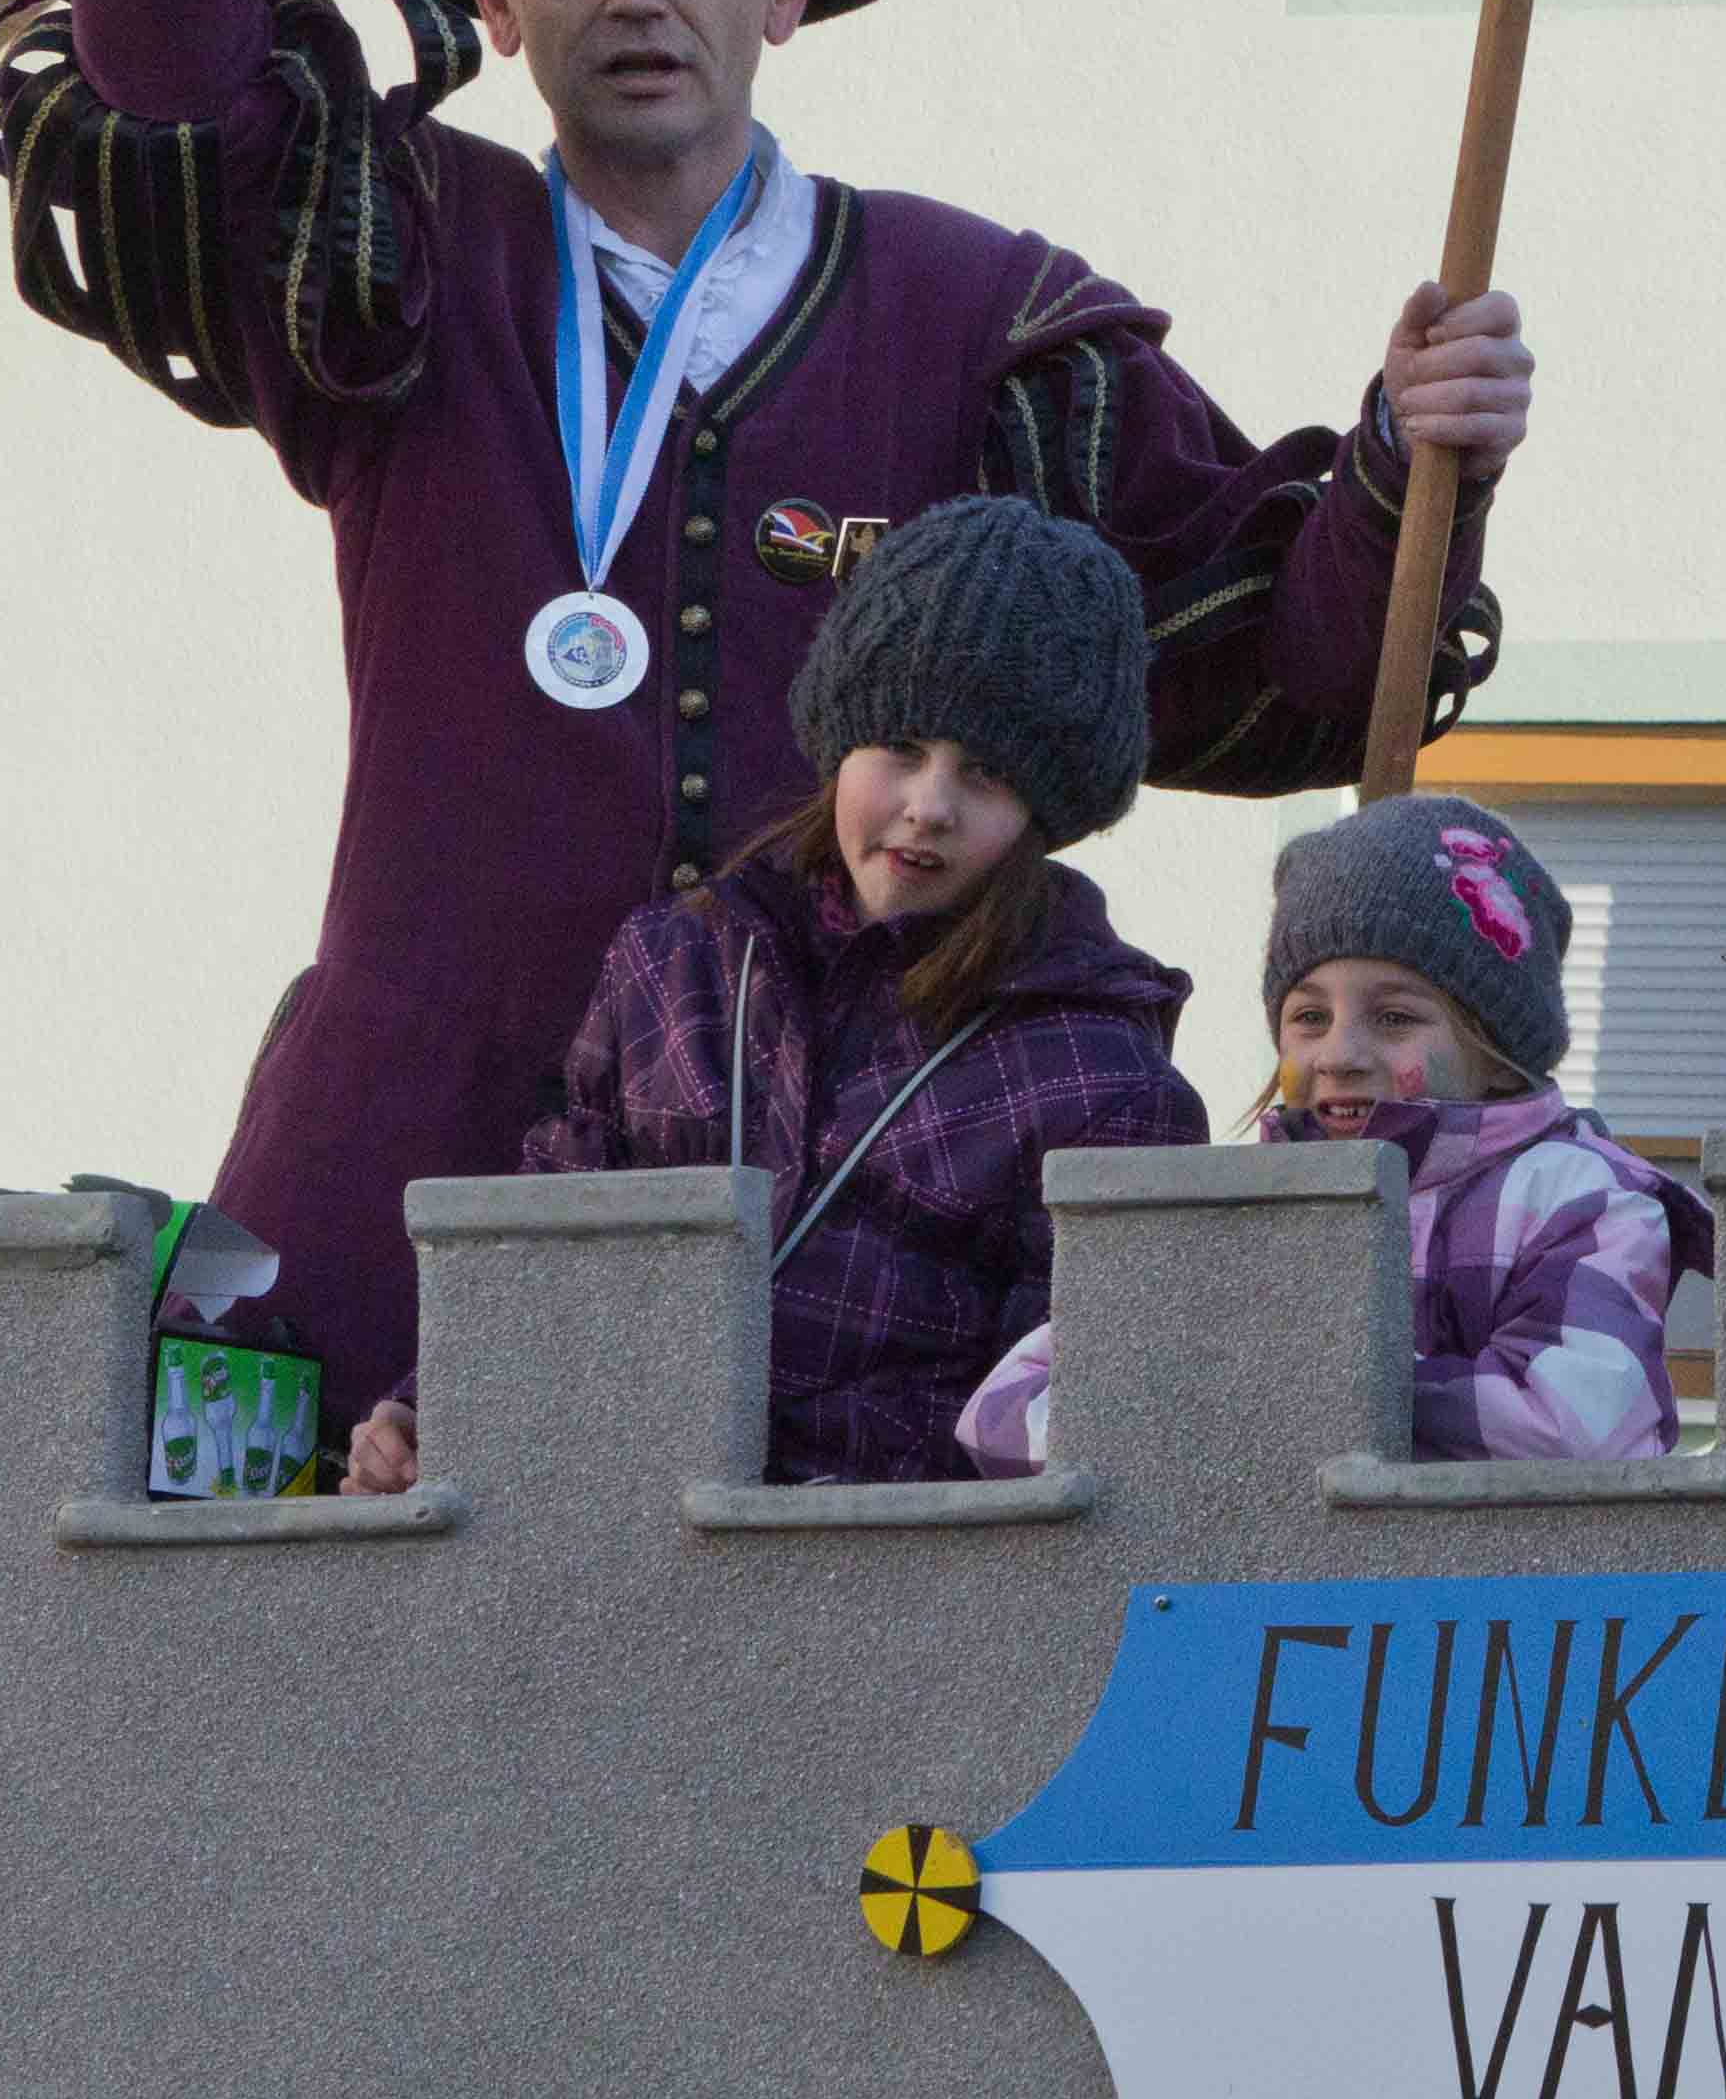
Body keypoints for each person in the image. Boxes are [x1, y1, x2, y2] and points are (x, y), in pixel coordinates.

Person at [0, 0, 1528, 1413]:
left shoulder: (976, 314)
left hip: (858, 1217)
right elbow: (165, 88)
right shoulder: (396, 250)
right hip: (401, 1173)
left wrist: (1412, 464)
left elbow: (1281, 668)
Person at [345, 498, 1207, 1489]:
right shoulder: (673, 962)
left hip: (887, 1560)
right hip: (621, 1524)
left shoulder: (1103, 1080)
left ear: (1050, 810)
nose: (929, 805)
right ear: (839, 742)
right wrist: (433, 1408)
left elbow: (1063, 1438)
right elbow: (549, 1245)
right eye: (900, 746)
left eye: (987, 773)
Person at [959, 793, 1714, 1472]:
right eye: (1310, 1017)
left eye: (1394, 1017)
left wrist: (1284, 1397)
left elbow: (1577, 1434)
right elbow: (1003, 1414)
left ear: (1495, 1048)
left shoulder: (1580, 1198)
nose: (1340, 1055)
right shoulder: (1230, 1210)